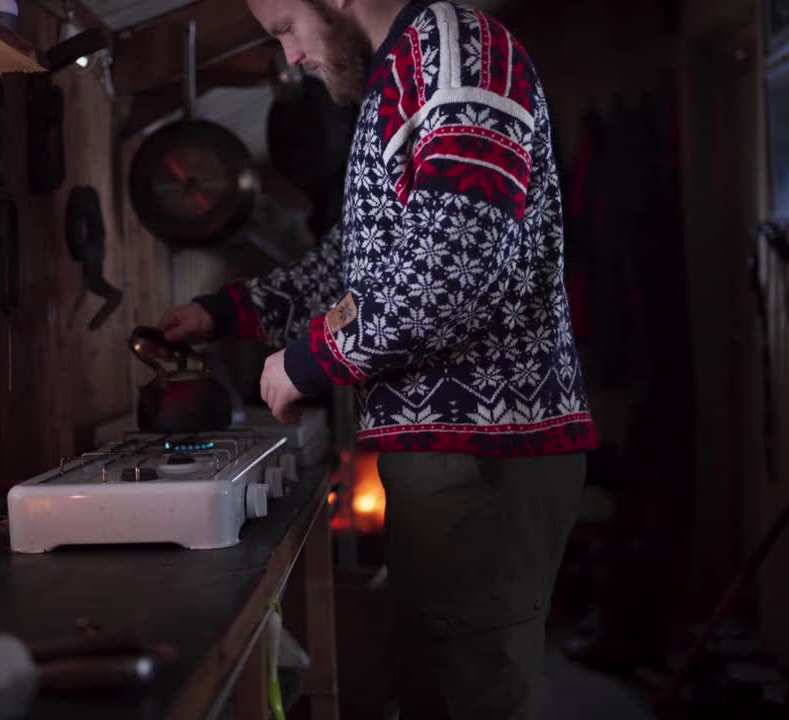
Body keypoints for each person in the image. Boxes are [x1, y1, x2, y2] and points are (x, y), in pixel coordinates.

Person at [156, 0, 597, 716]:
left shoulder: (456, 55)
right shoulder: (404, 70)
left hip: (482, 457)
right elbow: (363, 267)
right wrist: (226, 313)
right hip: (456, 459)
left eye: (285, 30)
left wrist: (307, 362)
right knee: (435, 690)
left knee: (469, 697)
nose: (291, 57)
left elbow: (449, 271)